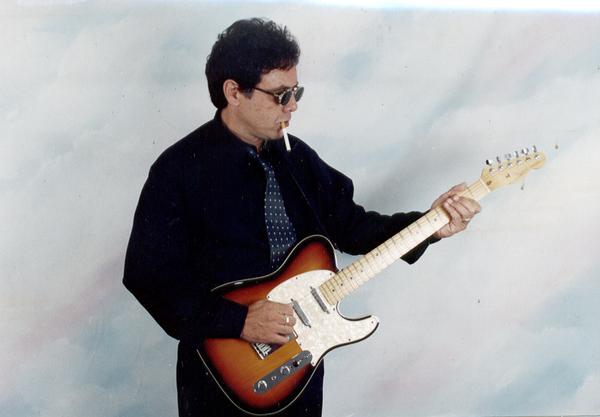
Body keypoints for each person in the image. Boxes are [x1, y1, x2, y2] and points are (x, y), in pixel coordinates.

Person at [123, 18, 481, 417]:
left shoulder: (296, 158)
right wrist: (238, 321)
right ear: (234, 92)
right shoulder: (178, 170)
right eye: (281, 95)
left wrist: (431, 225)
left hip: (300, 366)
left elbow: (354, 226)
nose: (292, 105)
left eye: (296, 92)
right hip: (220, 379)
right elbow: (146, 276)